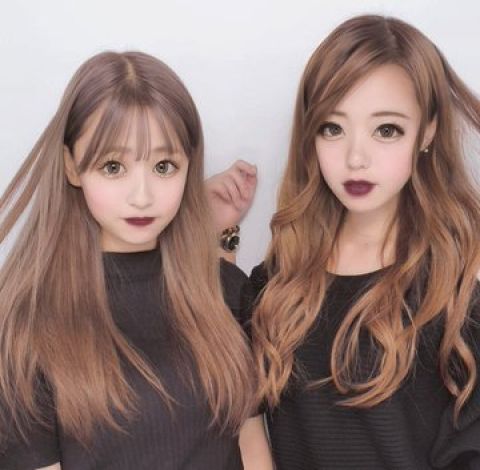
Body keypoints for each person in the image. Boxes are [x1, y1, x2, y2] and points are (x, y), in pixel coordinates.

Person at [210, 14, 480, 469]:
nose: (356, 158)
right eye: (332, 128)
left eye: (386, 129)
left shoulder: (458, 291)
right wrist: (219, 234)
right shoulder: (280, 282)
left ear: (428, 131)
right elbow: (231, 398)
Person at [0, 51, 272, 469]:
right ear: (72, 166)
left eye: (164, 166)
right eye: (113, 167)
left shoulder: (227, 290)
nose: (142, 196)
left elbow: (251, 441)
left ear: (189, 165)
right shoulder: (27, 322)